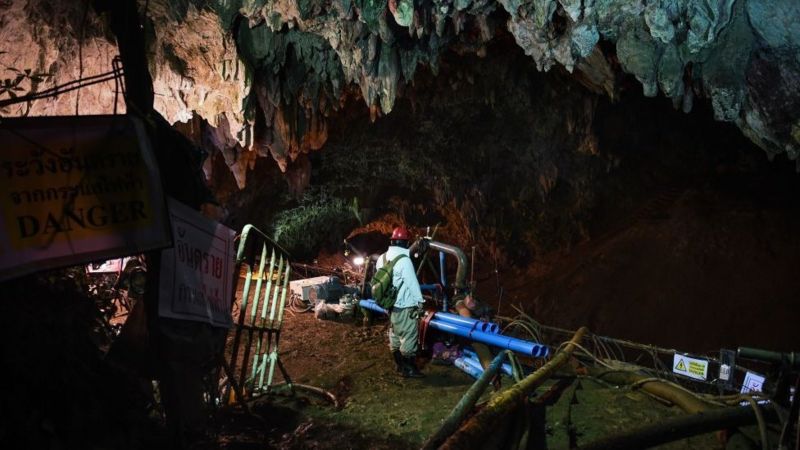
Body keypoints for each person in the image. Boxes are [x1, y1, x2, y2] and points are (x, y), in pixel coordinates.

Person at [376, 226, 425, 378]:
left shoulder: (381, 258)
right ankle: (409, 369)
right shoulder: (404, 260)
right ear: (405, 243)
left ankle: (399, 365)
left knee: (395, 334)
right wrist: (420, 302)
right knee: (409, 336)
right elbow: (412, 283)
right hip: (405, 306)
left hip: (389, 305)